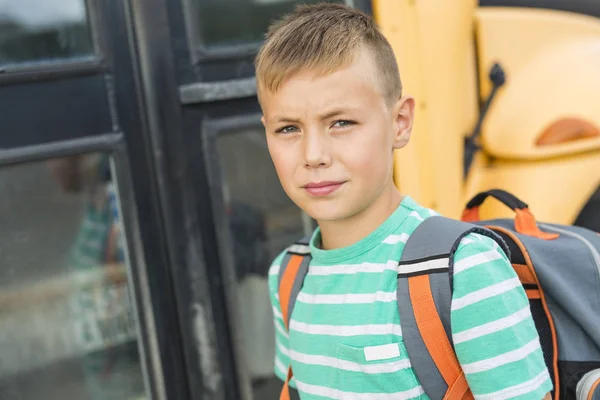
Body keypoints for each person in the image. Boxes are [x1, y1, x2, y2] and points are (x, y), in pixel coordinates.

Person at [255, 3, 552, 399]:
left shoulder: (464, 270)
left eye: (341, 123)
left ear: (400, 122)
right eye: (288, 128)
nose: (313, 155)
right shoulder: (289, 277)